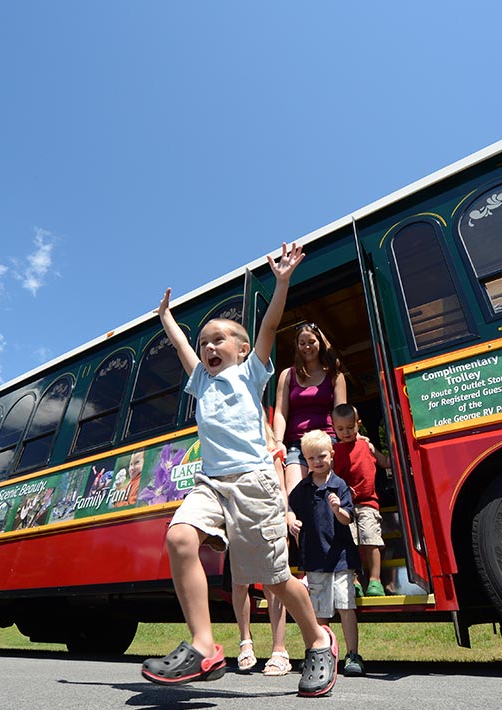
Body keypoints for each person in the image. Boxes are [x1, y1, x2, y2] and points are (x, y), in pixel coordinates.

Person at [141, 242, 340, 698]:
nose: (209, 347)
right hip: (211, 481)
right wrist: (167, 318)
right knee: (179, 537)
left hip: (253, 483)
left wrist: (283, 280)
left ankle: (318, 640)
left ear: (242, 348)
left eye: (219, 340)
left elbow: (270, 323)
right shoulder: (202, 382)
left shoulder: (251, 371)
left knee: (274, 578)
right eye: (204, 342)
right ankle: (204, 645)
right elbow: (181, 349)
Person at [287, 429, 365, 677]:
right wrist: (291, 521)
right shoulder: (303, 487)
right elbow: (289, 506)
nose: (317, 462)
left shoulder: (339, 484)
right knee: (319, 611)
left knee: (346, 607)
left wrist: (337, 509)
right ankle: (321, 652)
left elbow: (347, 519)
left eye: (321, 456)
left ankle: (352, 654)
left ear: (331, 455)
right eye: (311, 459)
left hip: (341, 558)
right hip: (314, 558)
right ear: (305, 460)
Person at [232, 422, 291, 676]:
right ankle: (245, 642)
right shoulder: (234, 453)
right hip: (240, 519)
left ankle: (280, 650)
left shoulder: (272, 451)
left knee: (274, 583)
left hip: (270, 519)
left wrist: (284, 516)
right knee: (240, 582)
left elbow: (281, 489)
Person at [273, 321, 346, 494]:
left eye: (311, 342)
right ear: (297, 347)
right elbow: (280, 412)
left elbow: (341, 413)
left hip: (325, 440)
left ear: (320, 343)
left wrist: (351, 436)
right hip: (296, 443)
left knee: (322, 493)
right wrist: (278, 442)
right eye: (302, 343)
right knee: (295, 493)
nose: (307, 347)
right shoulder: (287, 375)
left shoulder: (335, 375)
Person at [330, 403, 391, 597]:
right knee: (350, 542)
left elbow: (386, 463)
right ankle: (354, 581)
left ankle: (375, 581)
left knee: (371, 539)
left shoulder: (367, 445)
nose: (346, 432)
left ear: (359, 424)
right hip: (346, 507)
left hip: (368, 503)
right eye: (340, 429)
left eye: (350, 427)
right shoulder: (334, 451)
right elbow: (331, 477)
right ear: (334, 428)